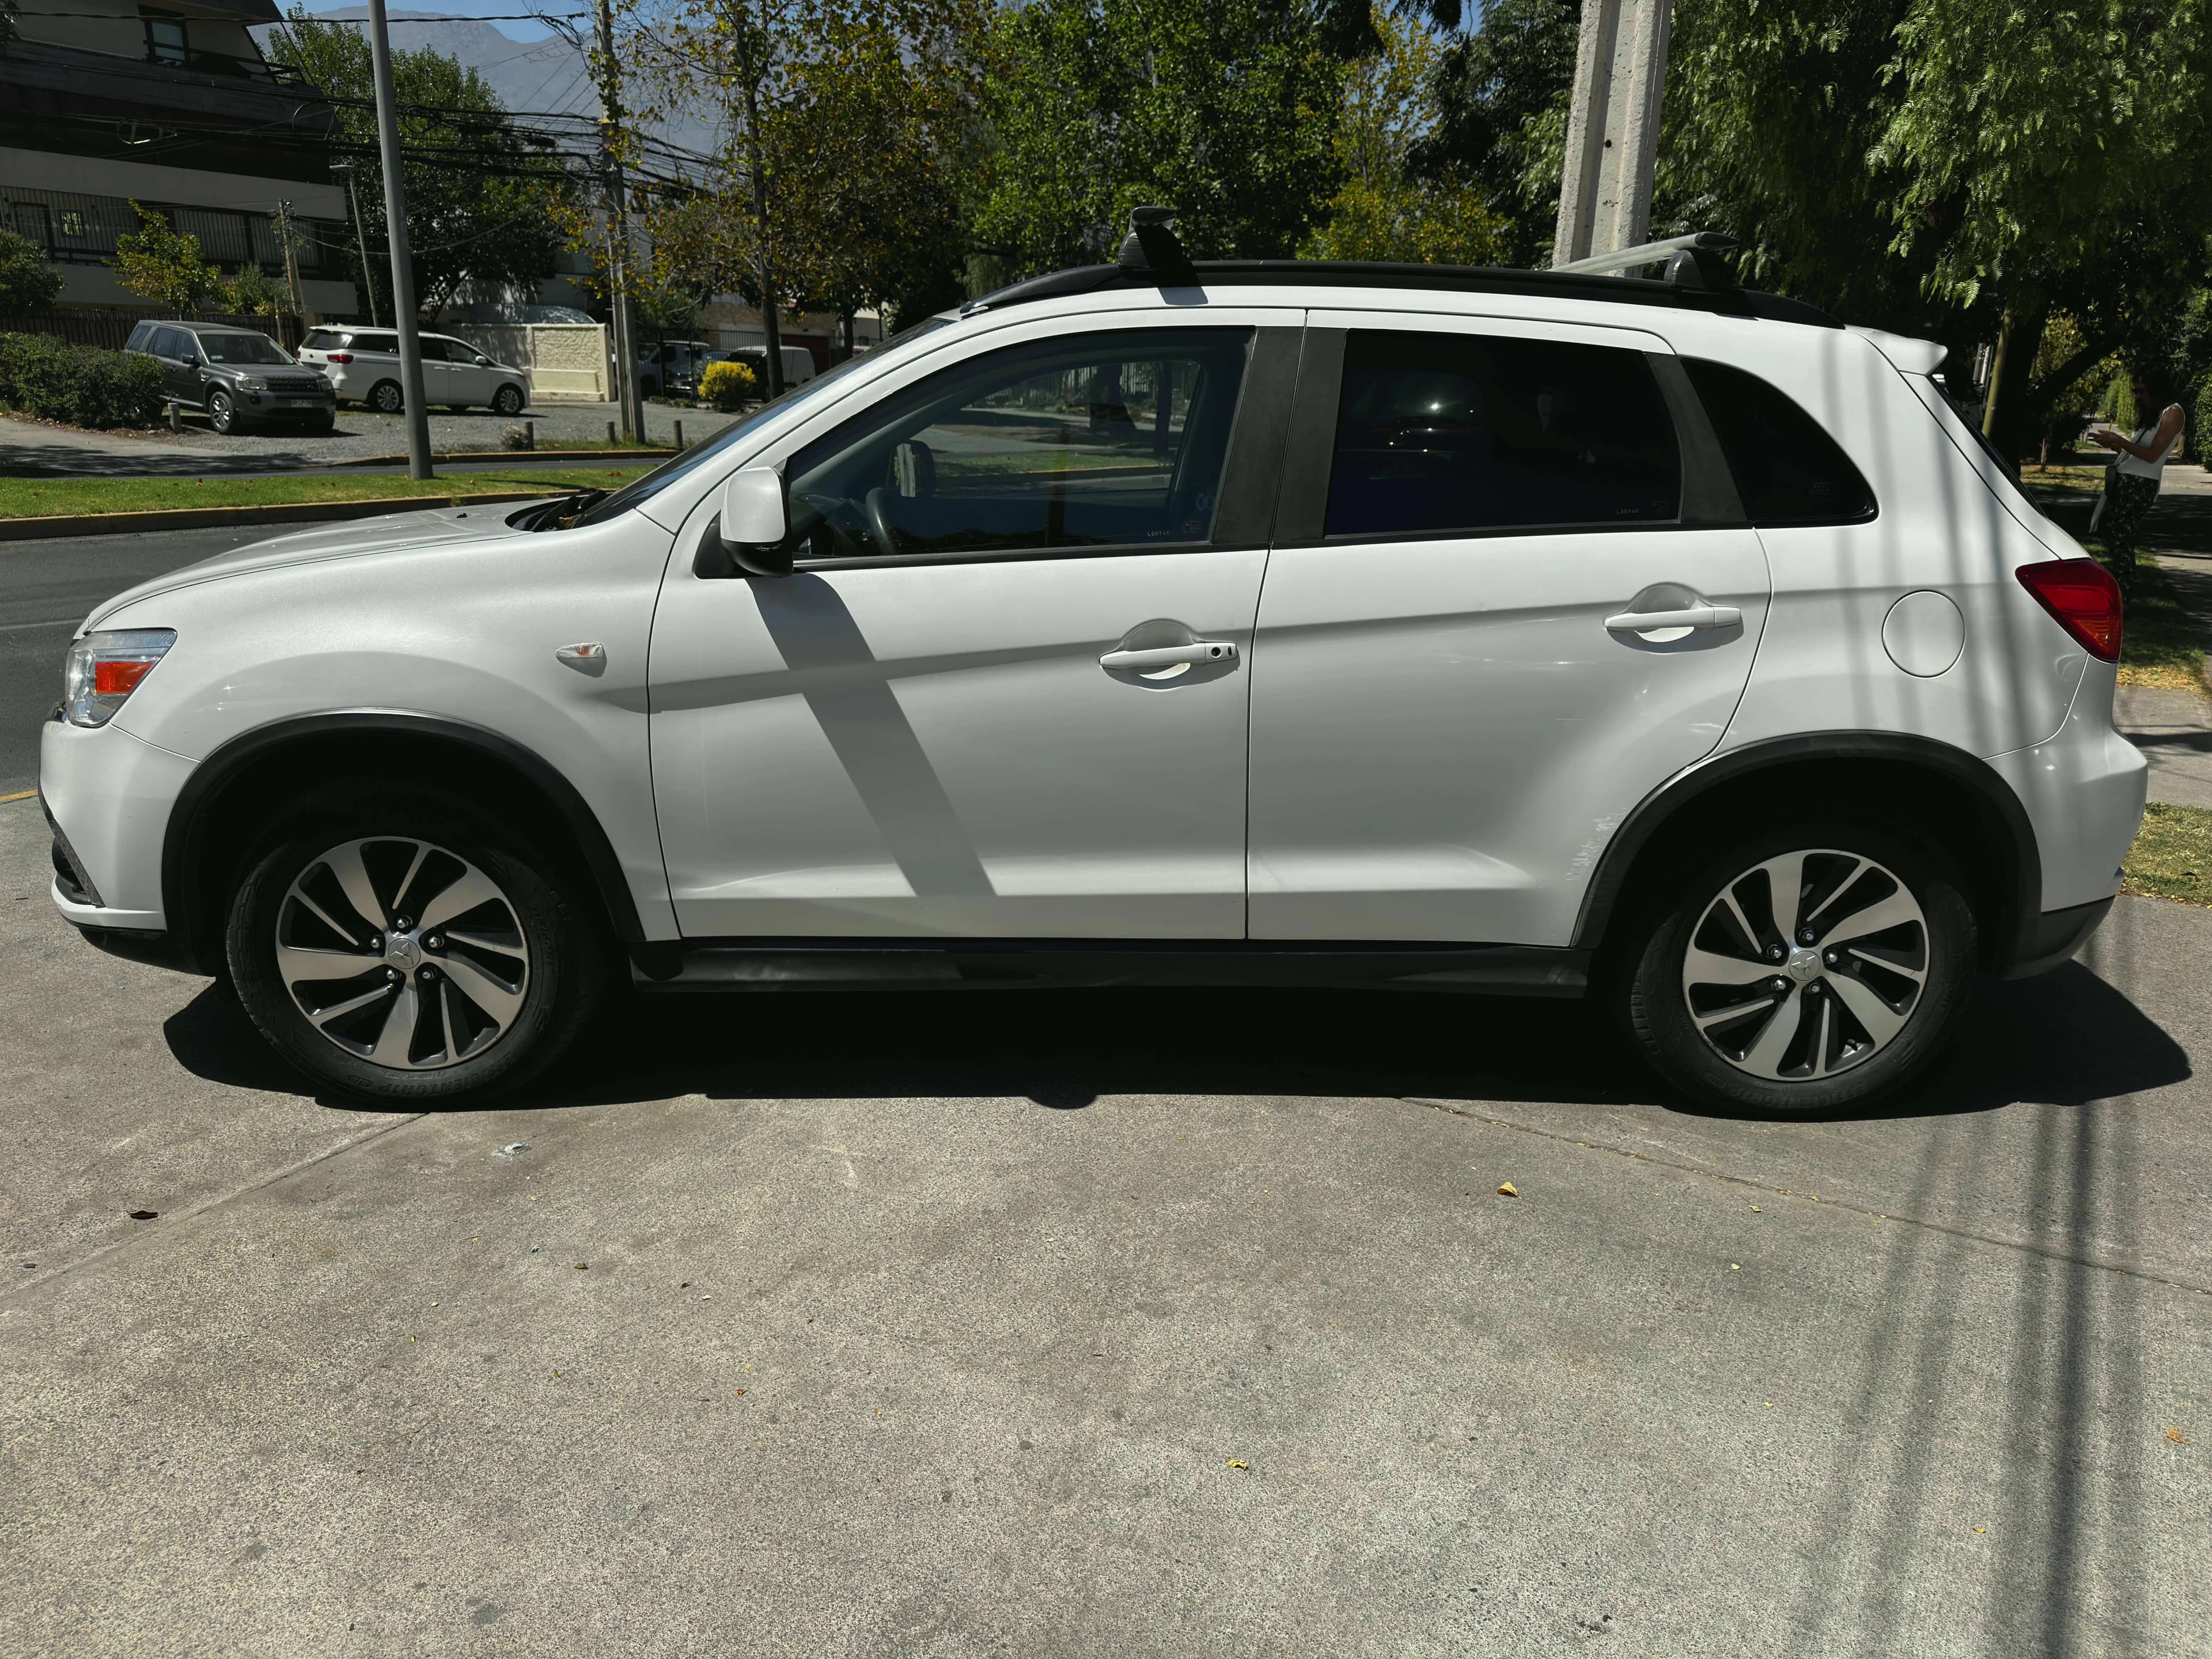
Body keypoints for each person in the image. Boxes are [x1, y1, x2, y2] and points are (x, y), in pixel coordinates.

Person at [2088, 376, 2186, 595]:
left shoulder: (2173, 413)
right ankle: (2120, 585)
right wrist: (2116, 445)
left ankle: (2125, 588)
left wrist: (2120, 441)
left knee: (2121, 533)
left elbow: (2152, 456)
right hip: (2128, 479)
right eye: (2135, 392)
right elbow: (2137, 454)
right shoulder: (2153, 414)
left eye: (2142, 391)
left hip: (2140, 484)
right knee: (2113, 532)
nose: (2139, 397)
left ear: (2156, 389)